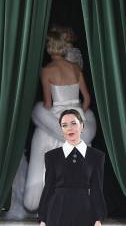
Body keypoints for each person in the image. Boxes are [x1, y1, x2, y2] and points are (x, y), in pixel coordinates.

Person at [23, 27, 97, 212]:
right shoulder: (75, 68)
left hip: (56, 120)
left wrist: (45, 116)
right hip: (75, 120)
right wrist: (79, 117)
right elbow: (86, 100)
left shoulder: (47, 71)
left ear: (49, 47)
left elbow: (48, 103)